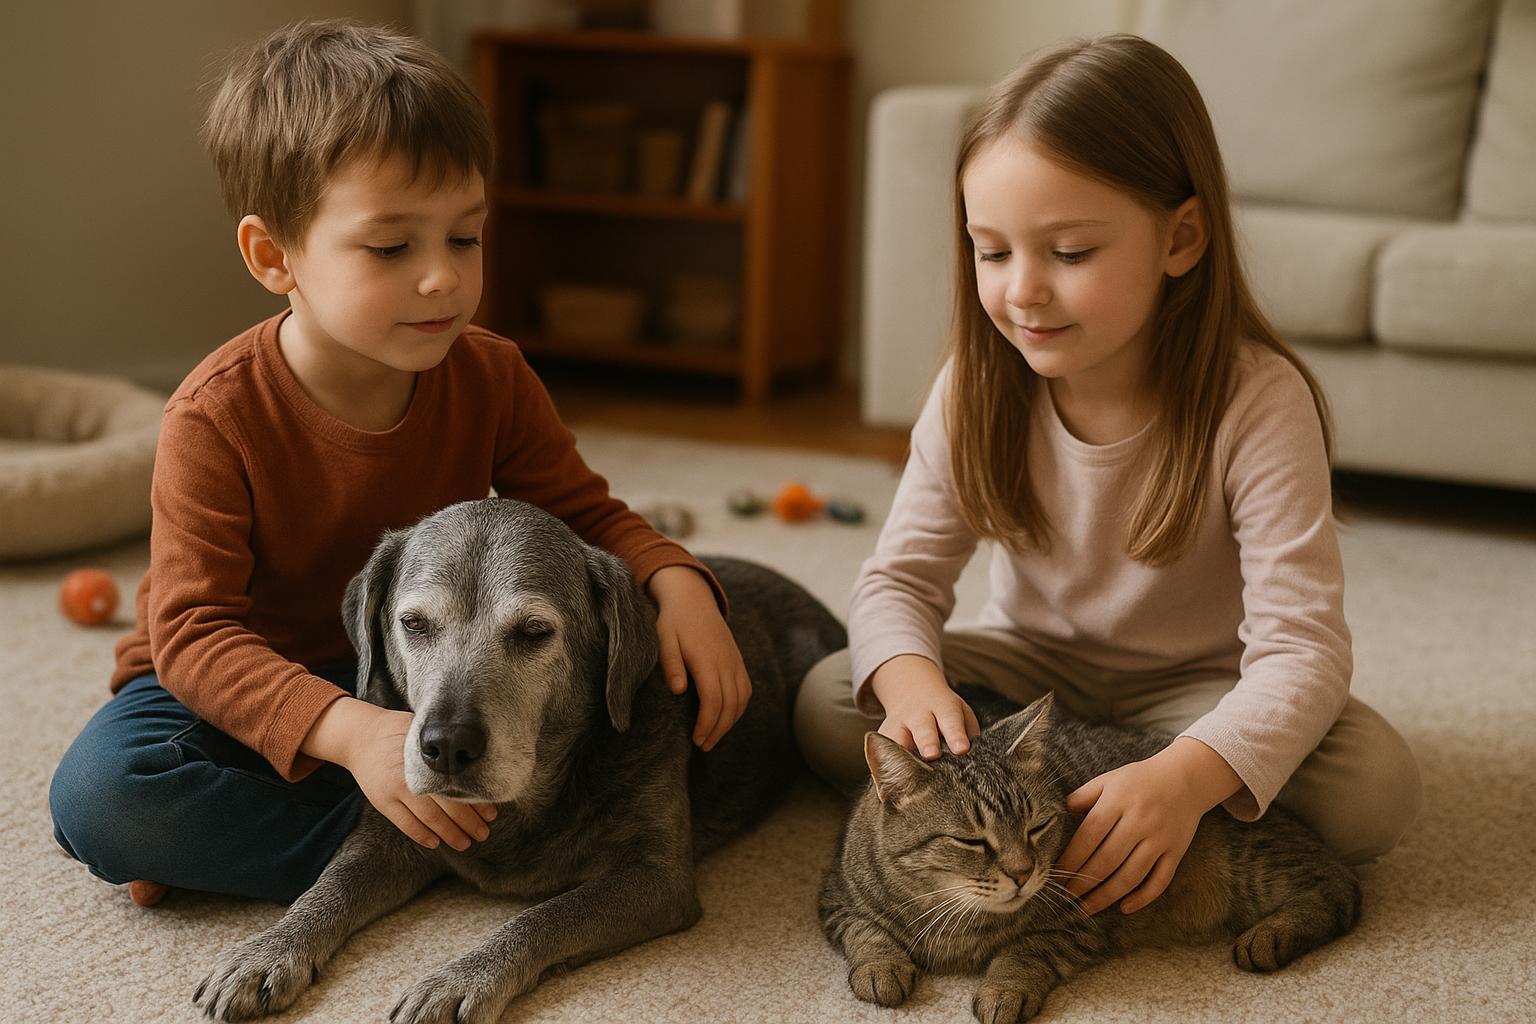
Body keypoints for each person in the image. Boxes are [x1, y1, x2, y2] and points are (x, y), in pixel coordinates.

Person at [48, 20, 751, 908]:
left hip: (427, 672)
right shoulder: (214, 416)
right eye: (392, 248)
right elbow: (193, 637)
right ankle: (426, 840)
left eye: (465, 239)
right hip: (229, 682)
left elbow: (587, 517)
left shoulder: (490, 372)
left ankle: (351, 830)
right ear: (275, 257)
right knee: (105, 800)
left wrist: (675, 578)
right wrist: (348, 732)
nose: (442, 281)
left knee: (590, 717)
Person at [793, 34, 1420, 918]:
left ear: (1182, 237)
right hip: (1029, 682)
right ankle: (1079, 803)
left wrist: (1185, 779)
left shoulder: (1260, 400)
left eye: (1071, 253)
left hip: (1197, 687)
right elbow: (900, 577)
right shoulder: (975, 387)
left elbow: (1303, 650)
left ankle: (1132, 796)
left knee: (1374, 792)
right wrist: (914, 688)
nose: (1023, 292)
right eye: (993, 251)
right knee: (830, 698)